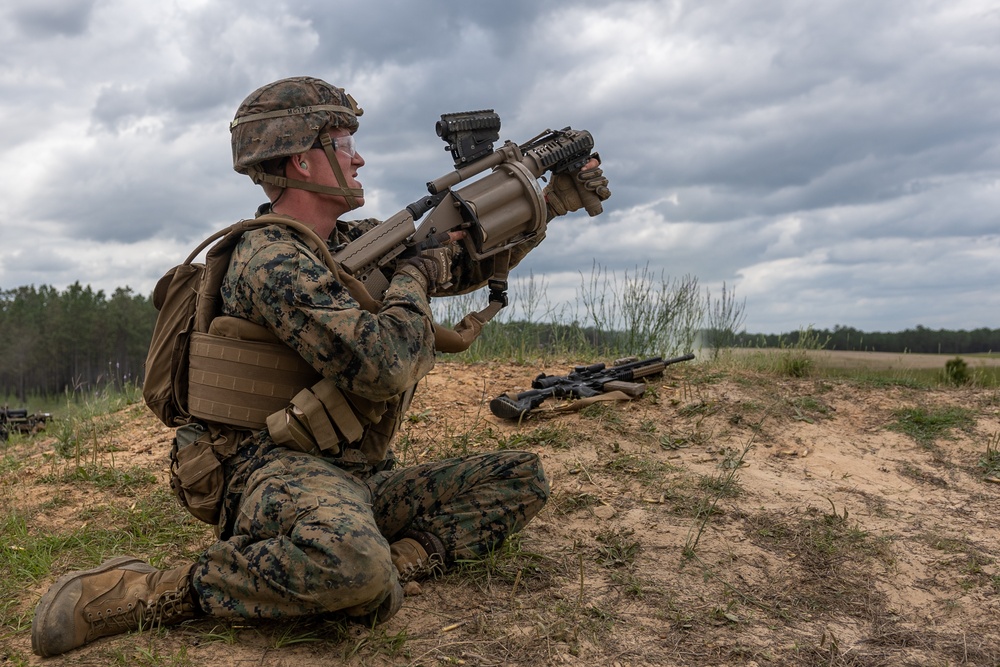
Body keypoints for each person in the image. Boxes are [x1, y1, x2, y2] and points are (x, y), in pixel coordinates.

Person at [30, 76, 610, 657]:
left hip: (351, 473)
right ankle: (153, 591)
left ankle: (395, 563)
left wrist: (551, 199)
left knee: (518, 477)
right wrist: (414, 278)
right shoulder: (272, 260)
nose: (359, 156)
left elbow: (458, 259)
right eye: (342, 142)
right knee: (355, 567)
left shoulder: (343, 244)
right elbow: (384, 364)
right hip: (268, 470)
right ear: (301, 161)